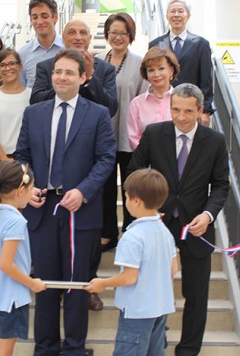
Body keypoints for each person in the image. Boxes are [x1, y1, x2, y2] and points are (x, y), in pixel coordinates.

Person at [14, 48, 116, 356]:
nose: (62, 77)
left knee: (75, 284)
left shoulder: (97, 114)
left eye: (69, 72)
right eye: (58, 71)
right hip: (42, 210)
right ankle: (44, 350)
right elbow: (22, 156)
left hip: (79, 211)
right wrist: (26, 186)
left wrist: (83, 191)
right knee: (43, 283)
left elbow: (106, 158)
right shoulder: (35, 113)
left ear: (84, 78)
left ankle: (74, 350)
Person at [128, 83, 229, 356]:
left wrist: (208, 215)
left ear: (199, 110)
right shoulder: (154, 134)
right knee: (153, 290)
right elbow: (135, 171)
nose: (181, 117)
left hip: (197, 227)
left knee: (196, 294)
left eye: (187, 111)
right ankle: (154, 350)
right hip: (158, 226)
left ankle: (187, 353)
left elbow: (221, 186)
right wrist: (150, 206)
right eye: (175, 110)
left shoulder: (216, 141)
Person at [85, 168, 178, 356]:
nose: (126, 202)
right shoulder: (165, 232)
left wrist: (102, 283)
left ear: (136, 201)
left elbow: (129, 277)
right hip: (161, 307)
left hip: (137, 311)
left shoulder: (132, 237)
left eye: (126, 197)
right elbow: (173, 269)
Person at [0, 160, 47, 356]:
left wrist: (0, 267)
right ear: (21, 190)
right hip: (10, 301)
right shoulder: (16, 221)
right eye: (31, 189)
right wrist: (31, 283)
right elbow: (6, 264)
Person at [95, 12, 149, 254]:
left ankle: (130, 230)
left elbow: (143, 100)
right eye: (113, 32)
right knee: (105, 186)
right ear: (106, 34)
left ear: (131, 36)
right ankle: (107, 232)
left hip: (129, 134)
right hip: (102, 135)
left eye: (123, 33)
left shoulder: (140, 64)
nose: (117, 37)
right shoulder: (96, 61)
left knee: (130, 184)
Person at [30, 19, 118, 118]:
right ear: (63, 38)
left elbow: (111, 109)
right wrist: (64, 85)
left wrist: (90, 78)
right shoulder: (45, 67)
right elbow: (35, 102)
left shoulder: (106, 69)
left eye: (83, 33)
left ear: (89, 38)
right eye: (72, 33)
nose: (78, 37)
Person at [149, 0, 214, 125]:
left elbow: (206, 80)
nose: (176, 15)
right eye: (172, 11)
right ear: (167, 16)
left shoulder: (201, 44)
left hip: (191, 106)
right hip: (163, 106)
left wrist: (205, 111)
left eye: (181, 11)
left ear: (188, 16)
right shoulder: (155, 44)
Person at [0, 49, 31, 164]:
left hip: (24, 161)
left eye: (12, 63)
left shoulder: (31, 95)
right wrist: (5, 161)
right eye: (2, 65)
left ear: (20, 66)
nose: (8, 68)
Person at [127, 47, 180, 151]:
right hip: (147, 162)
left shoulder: (182, 100)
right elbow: (133, 137)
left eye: (161, 68)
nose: (156, 74)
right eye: (151, 70)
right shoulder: (137, 103)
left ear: (171, 71)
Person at [18, 0, 64, 88]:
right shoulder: (23, 53)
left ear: (55, 17)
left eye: (44, 16)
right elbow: (22, 88)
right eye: (35, 17)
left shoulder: (68, 48)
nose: (39, 22)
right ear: (31, 20)